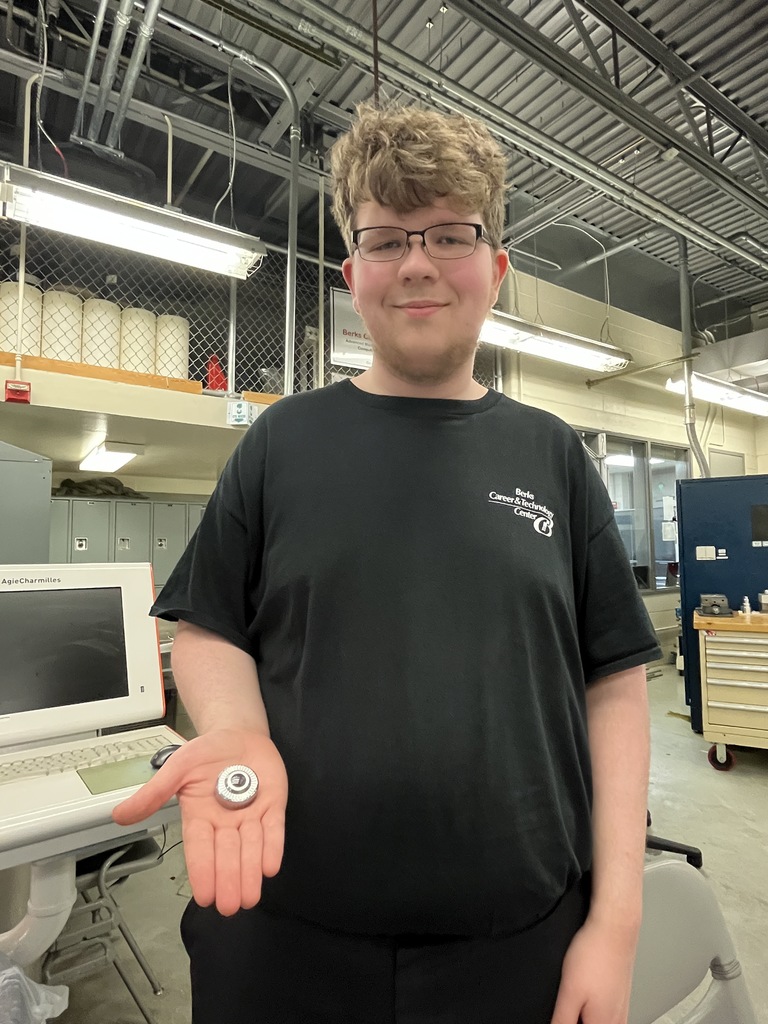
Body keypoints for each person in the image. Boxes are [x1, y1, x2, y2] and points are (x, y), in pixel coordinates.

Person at [114, 102, 660, 1024]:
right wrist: (240, 732)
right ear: (350, 273)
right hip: (279, 936)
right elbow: (206, 624)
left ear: (496, 268)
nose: (415, 262)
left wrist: (615, 923)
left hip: (518, 944)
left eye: (449, 233)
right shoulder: (281, 441)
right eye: (385, 238)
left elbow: (614, 686)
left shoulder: (553, 455)